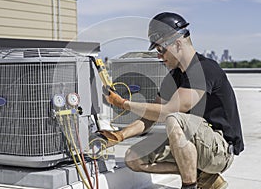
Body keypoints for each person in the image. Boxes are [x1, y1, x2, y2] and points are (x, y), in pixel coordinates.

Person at [97, 12, 244, 189]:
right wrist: (120, 135)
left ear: (177, 43)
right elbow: (151, 115)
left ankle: (189, 186)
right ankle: (203, 176)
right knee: (133, 158)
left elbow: (167, 111)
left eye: (160, 49)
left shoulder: (204, 69)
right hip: (198, 146)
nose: (159, 56)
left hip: (220, 150)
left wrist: (123, 104)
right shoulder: (173, 77)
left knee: (174, 119)